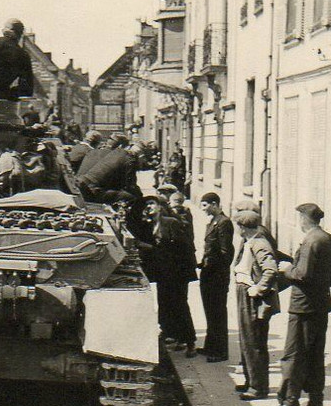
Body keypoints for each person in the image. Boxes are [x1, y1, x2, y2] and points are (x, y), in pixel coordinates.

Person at [270, 203, 331, 406]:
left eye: (300, 217)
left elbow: (302, 274)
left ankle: (290, 401)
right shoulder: (328, 239)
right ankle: (315, 400)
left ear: (304, 219)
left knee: (294, 353)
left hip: (303, 306)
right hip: (321, 304)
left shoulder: (311, 240)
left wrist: (287, 269)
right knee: (315, 354)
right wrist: (321, 287)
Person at [135, 195, 198, 358]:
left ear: (160, 206)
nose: (149, 207)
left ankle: (190, 342)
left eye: (151, 203)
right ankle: (175, 337)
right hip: (163, 273)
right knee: (165, 304)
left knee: (180, 306)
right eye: (146, 205)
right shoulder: (148, 225)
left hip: (177, 273)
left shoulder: (171, 223)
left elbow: (182, 248)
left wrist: (150, 247)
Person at [233, 209, 280, 401]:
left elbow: (271, 270)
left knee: (254, 341)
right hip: (244, 291)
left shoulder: (260, 244)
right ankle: (250, 380)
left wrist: (258, 289)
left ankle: (258, 387)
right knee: (246, 339)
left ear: (243, 227)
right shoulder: (249, 241)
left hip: (252, 296)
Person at [197, 192, 234, 363]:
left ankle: (220, 351)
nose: (202, 209)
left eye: (205, 205)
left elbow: (225, 252)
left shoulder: (224, 223)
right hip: (208, 273)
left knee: (217, 313)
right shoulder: (213, 221)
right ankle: (210, 346)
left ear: (214, 204)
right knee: (210, 311)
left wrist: (213, 267)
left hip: (216, 275)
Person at [77, 135, 142, 205]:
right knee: (130, 197)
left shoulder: (93, 151)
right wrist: (140, 196)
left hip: (80, 185)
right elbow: (129, 185)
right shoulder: (124, 157)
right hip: (92, 191)